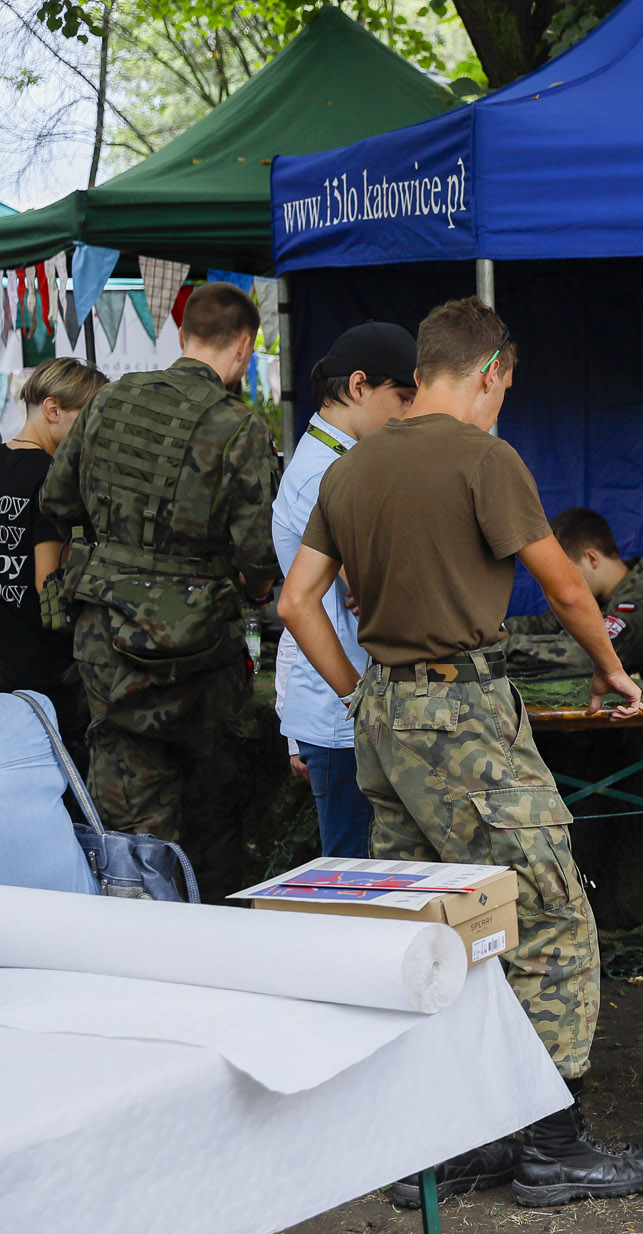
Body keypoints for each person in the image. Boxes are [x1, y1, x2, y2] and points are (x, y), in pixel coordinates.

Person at [276, 296, 643, 1208]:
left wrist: (358, 692)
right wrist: (611, 666)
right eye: (506, 386)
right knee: (550, 912)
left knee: (437, 924)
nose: (502, 401)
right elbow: (565, 587)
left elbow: (297, 602)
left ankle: (457, 1137)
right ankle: (553, 1143)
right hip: (462, 714)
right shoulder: (485, 458)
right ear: (490, 370)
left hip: (383, 718)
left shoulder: (349, 468)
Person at [41, 283, 279, 901]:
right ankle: (210, 938)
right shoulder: (239, 426)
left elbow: (57, 500)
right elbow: (258, 555)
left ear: (182, 334)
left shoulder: (106, 402)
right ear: (245, 346)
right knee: (212, 815)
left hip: (109, 643)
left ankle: (138, 939)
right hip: (202, 654)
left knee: (129, 823)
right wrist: (250, 586)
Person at [271, 322, 416, 858]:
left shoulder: (337, 462)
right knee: (357, 876)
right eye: (403, 399)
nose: (408, 415)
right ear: (358, 386)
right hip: (344, 715)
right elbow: (374, 589)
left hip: (350, 707)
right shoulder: (322, 474)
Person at [1, 359, 105, 715]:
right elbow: (48, 582)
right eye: (87, 418)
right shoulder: (53, 477)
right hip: (41, 668)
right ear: (53, 409)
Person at [504, 507, 643, 679]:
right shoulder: (597, 594)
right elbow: (547, 624)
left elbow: (585, 654)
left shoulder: (641, 606)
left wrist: (506, 647)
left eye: (565, 571)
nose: (559, 581)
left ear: (591, 559)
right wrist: (500, 631)